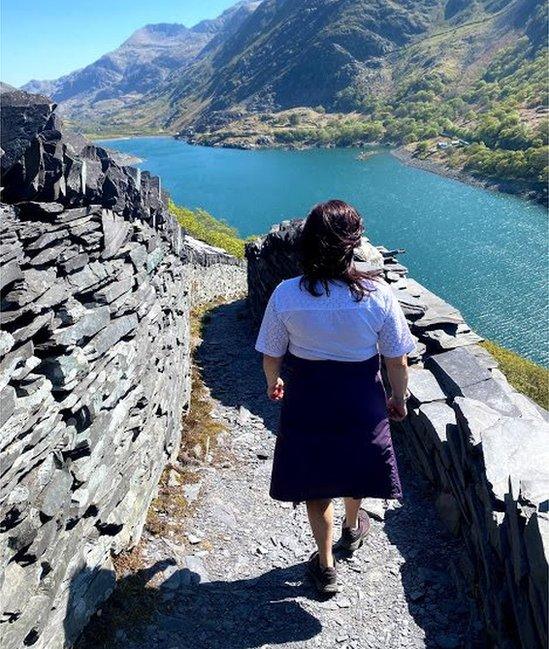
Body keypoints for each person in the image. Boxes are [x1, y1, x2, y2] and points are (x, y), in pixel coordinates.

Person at [255, 199, 415, 594]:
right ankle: (351, 527)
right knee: (354, 464)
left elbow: (271, 354)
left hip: (308, 397)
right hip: (361, 397)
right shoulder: (378, 295)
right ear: (353, 244)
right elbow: (397, 360)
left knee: (316, 480)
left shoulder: (286, 294)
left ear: (308, 243)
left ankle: (325, 565)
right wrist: (400, 399)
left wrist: (274, 381)